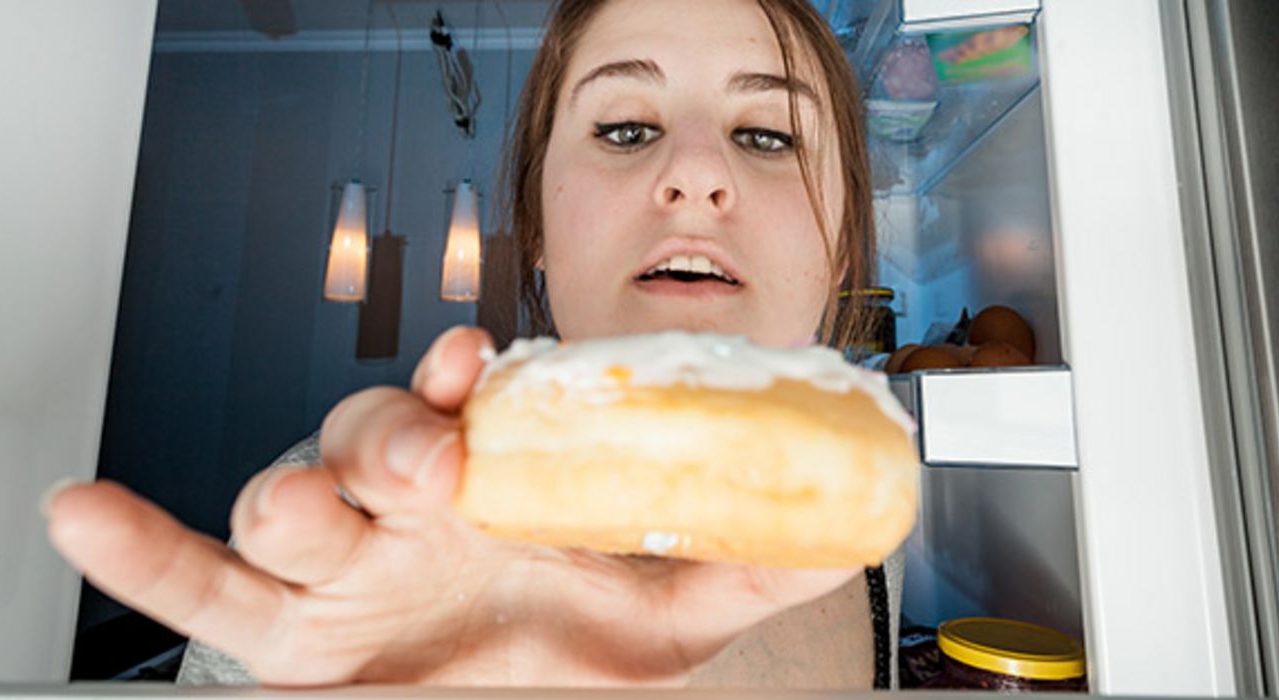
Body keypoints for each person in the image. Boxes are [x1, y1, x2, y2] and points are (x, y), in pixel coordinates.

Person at [45, 0, 903, 687]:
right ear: (537, 224)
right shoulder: (345, 536)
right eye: (626, 129)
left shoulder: (868, 530)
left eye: (767, 134)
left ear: (840, 242)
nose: (697, 172)